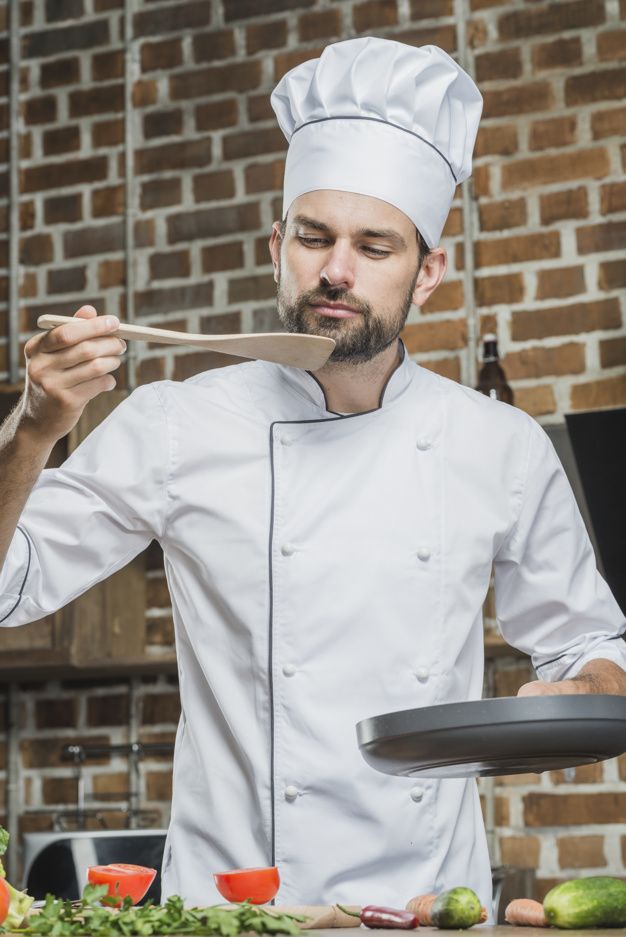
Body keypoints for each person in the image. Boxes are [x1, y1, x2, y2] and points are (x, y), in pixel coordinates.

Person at [1, 37, 625, 912]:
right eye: (315, 236)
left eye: (376, 245)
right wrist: (31, 431)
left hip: (422, 910)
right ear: (276, 244)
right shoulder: (175, 423)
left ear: (430, 272)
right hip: (229, 914)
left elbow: (592, 646)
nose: (337, 270)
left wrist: (587, 691)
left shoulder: (499, 445)